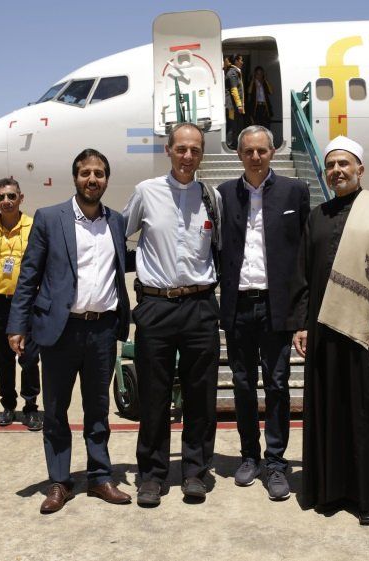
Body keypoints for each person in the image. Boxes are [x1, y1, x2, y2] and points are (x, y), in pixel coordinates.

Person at [288, 136, 369, 525]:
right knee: (331, 410)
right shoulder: (317, 216)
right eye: (331, 165)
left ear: (360, 169)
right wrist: (301, 325)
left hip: (368, 333)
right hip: (323, 332)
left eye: (343, 164)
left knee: (368, 414)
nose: (336, 171)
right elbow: (302, 273)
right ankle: (331, 492)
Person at [6, 149, 132, 514]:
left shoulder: (117, 221)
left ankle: (100, 477)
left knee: (98, 408)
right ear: (75, 178)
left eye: (99, 173)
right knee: (56, 410)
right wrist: (17, 325)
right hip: (60, 330)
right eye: (85, 173)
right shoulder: (49, 218)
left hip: (103, 329)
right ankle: (59, 482)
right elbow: (29, 275)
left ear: (106, 179)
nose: (92, 179)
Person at [123, 123, 221, 507]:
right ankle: (152, 475)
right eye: (181, 149)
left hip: (200, 305)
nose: (187, 156)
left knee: (201, 394)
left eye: (195, 150)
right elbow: (120, 236)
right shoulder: (146, 192)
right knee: (154, 395)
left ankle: (195, 471)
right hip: (157, 305)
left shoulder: (211, 196)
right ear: (168, 150)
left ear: (202, 154)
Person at [218, 125, 309, 500]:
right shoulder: (224, 194)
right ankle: (249, 456)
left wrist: (302, 316)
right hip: (239, 305)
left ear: (273, 152)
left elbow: (304, 255)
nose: (255, 157)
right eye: (248, 151)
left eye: (261, 150)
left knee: (277, 384)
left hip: (276, 307)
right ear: (239, 155)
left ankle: (275, 462)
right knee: (242, 384)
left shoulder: (295, 191)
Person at [0, 178, 42, 430]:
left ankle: (31, 406)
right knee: (3, 358)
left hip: (29, 303)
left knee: (29, 357)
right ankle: (8, 405)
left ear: (21, 198)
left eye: (12, 196)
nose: (7, 201)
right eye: (1, 197)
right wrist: (1, 286)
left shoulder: (35, 227)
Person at [225, 54, 246, 149]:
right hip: (232, 107)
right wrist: (239, 105)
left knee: (237, 125)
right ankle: (230, 146)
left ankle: (235, 145)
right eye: (241, 60)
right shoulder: (232, 73)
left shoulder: (235, 72)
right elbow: (234, 90)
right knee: (232, 125)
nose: (242, 62)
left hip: (235, 106)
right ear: (236, 61)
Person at [247, 66, 273, 130]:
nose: (259, 76)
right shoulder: (252, 82)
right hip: (256, 107)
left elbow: (271, 92)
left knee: (266, 126)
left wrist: (266, 80)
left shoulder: (264, 83)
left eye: (261, 73)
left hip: (265, 107)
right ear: (255, 74)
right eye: (258, 74)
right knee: (257, 126)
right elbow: (249, 91)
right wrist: (253, 81)